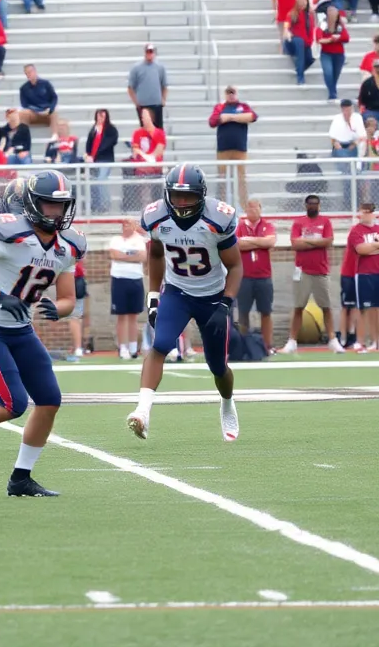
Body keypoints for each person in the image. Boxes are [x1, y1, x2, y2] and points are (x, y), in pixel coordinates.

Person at [0, 170, 85, 495]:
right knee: (12, 403)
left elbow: (68, 299)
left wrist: (58, 309)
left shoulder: (68, 246)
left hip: (21, 330)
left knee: (49, 401)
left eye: (61, 206)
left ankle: (21, 478)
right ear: (34, 204)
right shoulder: (11, 234)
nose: (56, 212)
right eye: (49, 205)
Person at [124, 163, 241, 440]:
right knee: (160, 345)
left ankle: (227, 403)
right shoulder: (157, 218)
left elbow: (235, 267)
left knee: (218, 366)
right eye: (177, 195)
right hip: (177, 292)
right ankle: (143, 411)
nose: (183, 202)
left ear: (201, 195)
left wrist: (225, 303)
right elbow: (155, 255)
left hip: (212, 296)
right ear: (168, 195)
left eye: (189, 196)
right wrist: (153, 297)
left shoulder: (217, 220)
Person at [282, 194, 345, 355]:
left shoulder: (325, 222)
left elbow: (328, 241)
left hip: (321, 271)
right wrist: (317, 242)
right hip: (302, 271)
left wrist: (307, 242)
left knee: (326, 307)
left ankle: (332, 340)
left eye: (315, 204)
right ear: (305, 205)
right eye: (310, 204)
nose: (313, 206)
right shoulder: (299, 222)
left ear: (319, 205)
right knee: (298, 307)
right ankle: (292, 341)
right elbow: (295, 244)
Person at [340, 203, 379, 353]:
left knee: (378, 308)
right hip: (363, 273)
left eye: (369, 212)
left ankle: (378, 342)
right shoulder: (356, 231)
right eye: (364, 212)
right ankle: (360, 342)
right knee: (362, 308)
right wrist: (378, 246)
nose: (366, 215)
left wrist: (374, 247)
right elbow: (361, 249)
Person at [235, 199, 275, 351]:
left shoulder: (267, 226)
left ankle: (267, 345)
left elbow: (270, 242)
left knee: (266, 311)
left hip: (264, 277)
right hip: (245, 277)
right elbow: (237, 244)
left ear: (260, 208)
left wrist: (250, 240)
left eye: (255, 207)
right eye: (249, 207)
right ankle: (244, 345)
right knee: (243, 312)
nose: (252, 209)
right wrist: (259, 243)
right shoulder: (240, 226)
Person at [109, 219, 147, 360]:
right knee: (121, 316)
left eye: (129, 224)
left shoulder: (139, 240)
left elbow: (142, 257)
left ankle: (133, 348)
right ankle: (122, 348)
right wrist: (132, 256)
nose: (126, 227)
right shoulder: (116, 240)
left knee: (133, 316)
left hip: (135, 279)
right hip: (119, 280)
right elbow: (114, 255)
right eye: (124, 225)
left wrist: (123, 256)